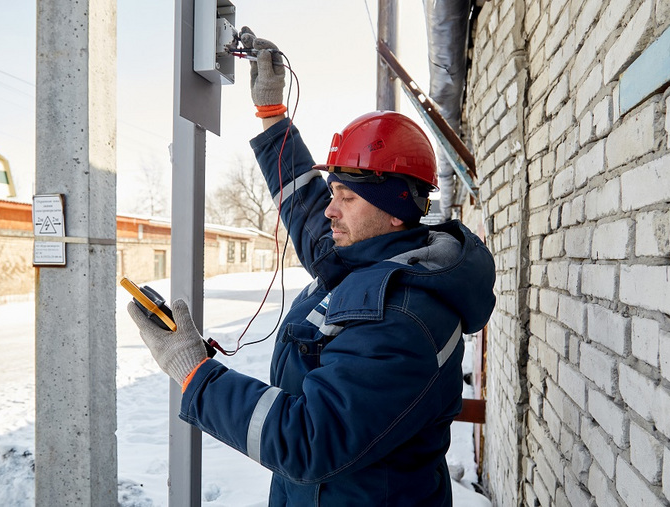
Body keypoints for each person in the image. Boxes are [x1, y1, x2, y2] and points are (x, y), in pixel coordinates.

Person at [127, 28, 496, 506]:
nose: (330, 209)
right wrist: (272, 113)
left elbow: (307, 440)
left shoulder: (405, 317)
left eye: (345, 196)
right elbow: (305, 206)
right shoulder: (375, 257)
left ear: (394, 208)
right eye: (333, 192)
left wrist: (194, 372)